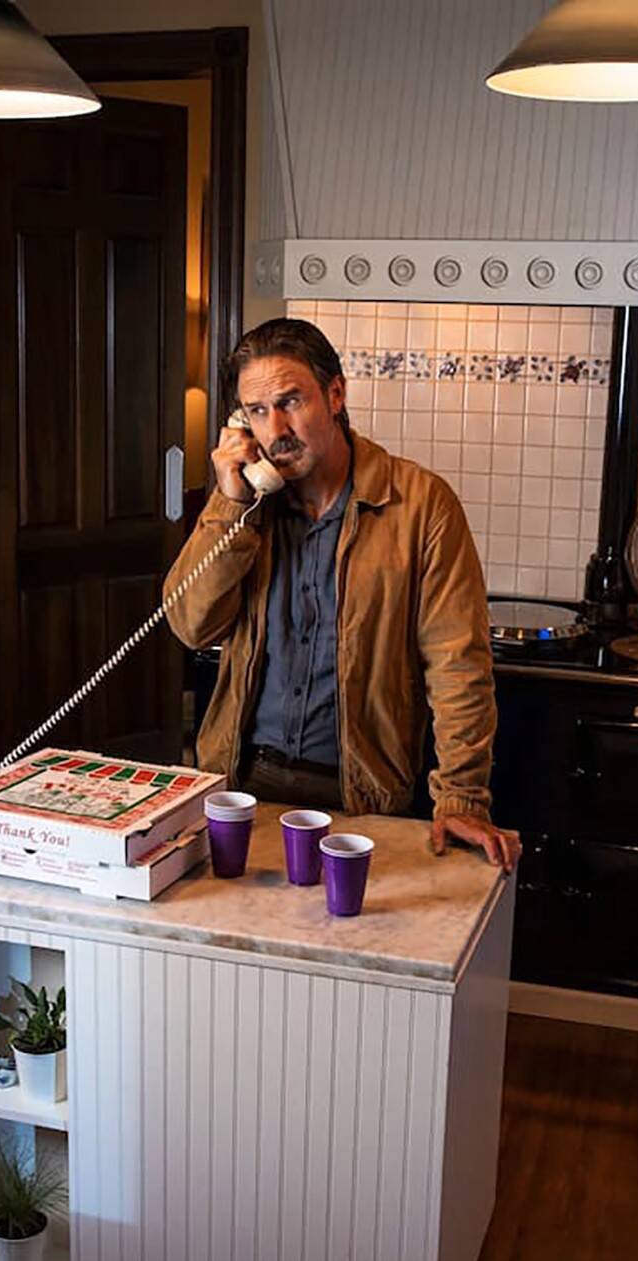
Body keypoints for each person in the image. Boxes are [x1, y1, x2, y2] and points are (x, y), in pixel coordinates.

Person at [163, 318, 520, 869]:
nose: (275, 428)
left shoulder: (422, 506)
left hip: (361, 800)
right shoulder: (248, 508)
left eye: (290, 402)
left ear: (335, 394)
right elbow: (190, 623)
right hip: (242, 787)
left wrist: (462, 797)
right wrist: (231, 506)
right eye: (256, 412)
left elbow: (458, 666)